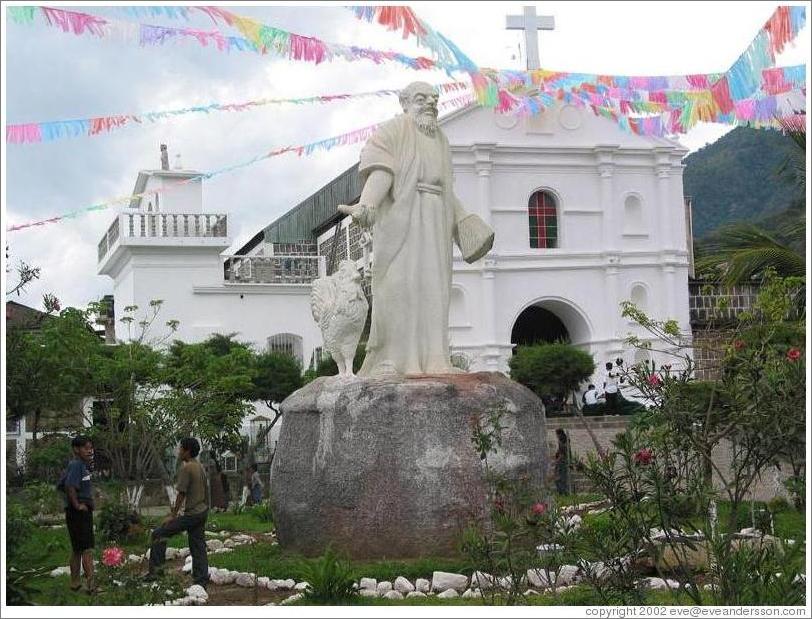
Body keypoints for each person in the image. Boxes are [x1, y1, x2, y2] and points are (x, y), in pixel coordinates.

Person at [338, 81, 494, 376]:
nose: (430, 104)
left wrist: (463, 221)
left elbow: (446, 189)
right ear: (405, 102)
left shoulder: (440, 140)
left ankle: (436, 360)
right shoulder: (393, 131)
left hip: (436, 219)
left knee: (435, 288)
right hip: (403, 219)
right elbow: (382, 171)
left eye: (434, 99)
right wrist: (368, 204)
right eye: (422, 99)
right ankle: (397, 359)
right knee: (400, 286)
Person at [147, 438, 209, 588]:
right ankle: (201, 580)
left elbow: (181, 493)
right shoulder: (199, 466)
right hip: (201, 511)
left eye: (181, 448)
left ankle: (156, 573)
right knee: (198, 546)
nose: (178, 451)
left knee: (159, 534)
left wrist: (173, 515)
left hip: (192, 514)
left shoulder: (187, 468)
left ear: (187, 451)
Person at [57, 435, 96, 593]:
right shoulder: (76, 465)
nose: (90, 451)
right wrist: (77, 505)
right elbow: (69, 486)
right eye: (86, 448)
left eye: (91, 448)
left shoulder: (82, 465)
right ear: (76, 449)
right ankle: (91, 585)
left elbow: (64, 484)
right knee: (87, 549)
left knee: (78, 549)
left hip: (80, 511)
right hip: (78, 513)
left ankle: (75, 583)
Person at [554, 429, 571, 495]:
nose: (557, 436)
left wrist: (556, 461)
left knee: (561, 478)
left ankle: (563, 492)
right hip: (562, 461)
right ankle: (562, 492)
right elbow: (559, 452)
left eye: (557, 434)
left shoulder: (563, 442)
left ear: (560, 434)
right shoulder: (563, 441)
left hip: (563, 462)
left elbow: (562, 454)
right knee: (559, 477)